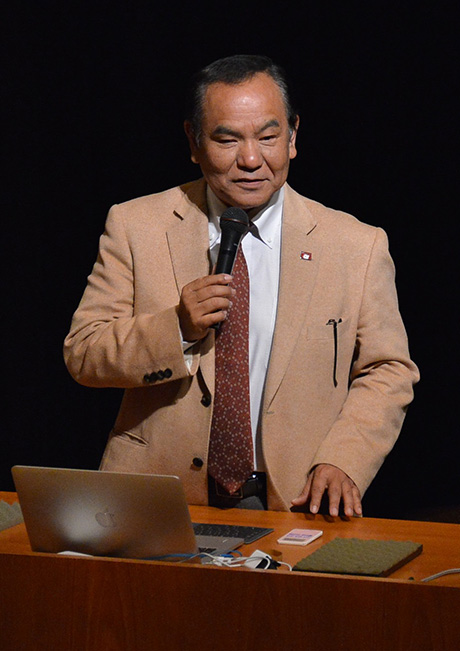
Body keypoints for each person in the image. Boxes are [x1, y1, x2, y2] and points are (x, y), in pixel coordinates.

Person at [64, 54, 419, 515]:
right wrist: (176, 328)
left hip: (295, 499)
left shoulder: (357, 245)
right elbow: (84, 352)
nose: (251, 160)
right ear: (193, 141)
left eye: (268, 137)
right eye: (227, 139)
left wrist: (345, 459)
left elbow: (388, 369)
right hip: (156, 497)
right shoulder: (136, 225)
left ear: (293, 136)